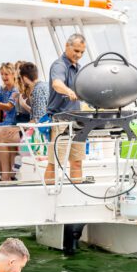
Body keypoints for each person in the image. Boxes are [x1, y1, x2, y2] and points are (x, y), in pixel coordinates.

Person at [44, 33, 87, 185]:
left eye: (82, 52)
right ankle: (48, 195)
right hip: (61, 120)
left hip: (78, 121)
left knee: (77, 162)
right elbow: (56, 84)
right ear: (66, 47)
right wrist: (68, 91)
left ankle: (77, 193)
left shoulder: (79, 68)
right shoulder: (59, 65)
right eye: (76, 51)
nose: (79, 55)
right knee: (55, 163)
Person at [0, 62, 21, 182]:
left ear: (13, 74)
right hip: (2, 123)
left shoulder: (16, 90)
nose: (4, 77)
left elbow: (9, 106)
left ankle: (6, 175)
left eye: (7, 74)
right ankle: (2, 173)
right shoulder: (2, 89)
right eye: (2, 74)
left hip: (12, 123)